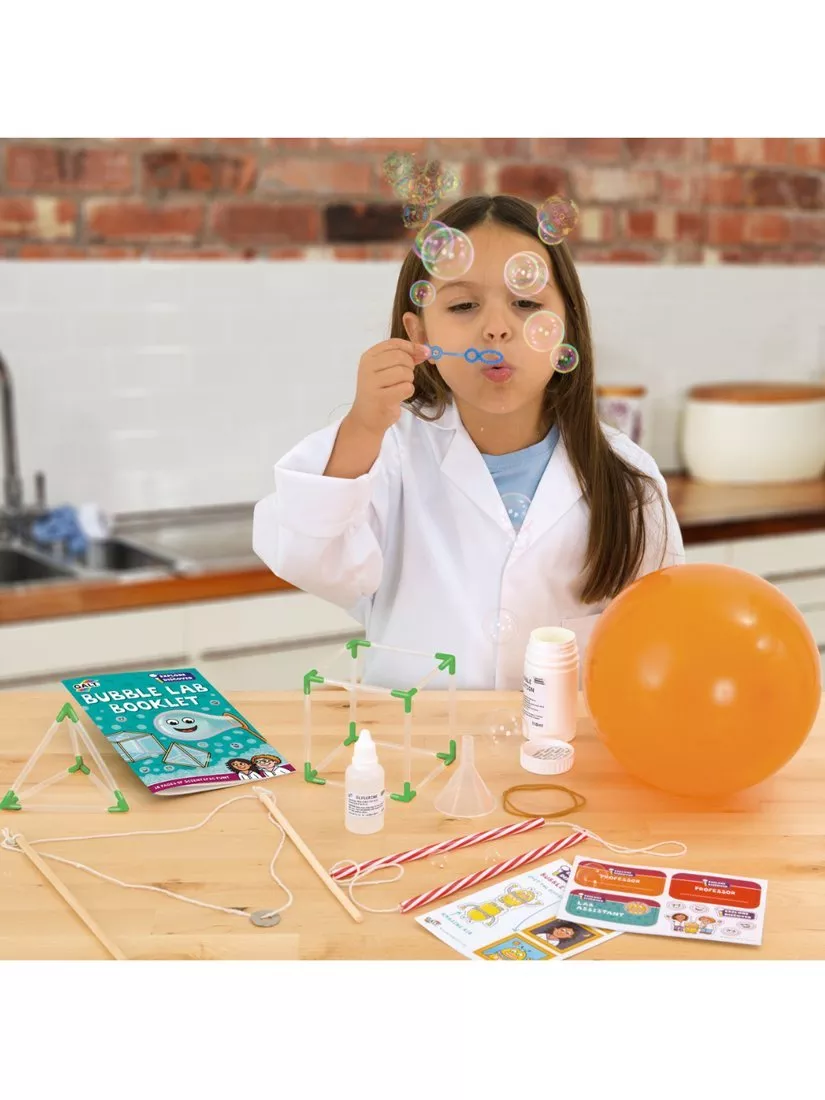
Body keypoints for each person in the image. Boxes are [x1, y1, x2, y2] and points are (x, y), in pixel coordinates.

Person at [253, 194, 685, 689]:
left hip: (566, 739)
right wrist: (364, 425)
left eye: (527, 303)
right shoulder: (389, 454)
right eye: (463, 305)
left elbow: (659, 640)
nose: (496, 329)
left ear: (566, 325)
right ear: (419, 334)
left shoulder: (628, 480)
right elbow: (310, 556)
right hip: (414, 737)